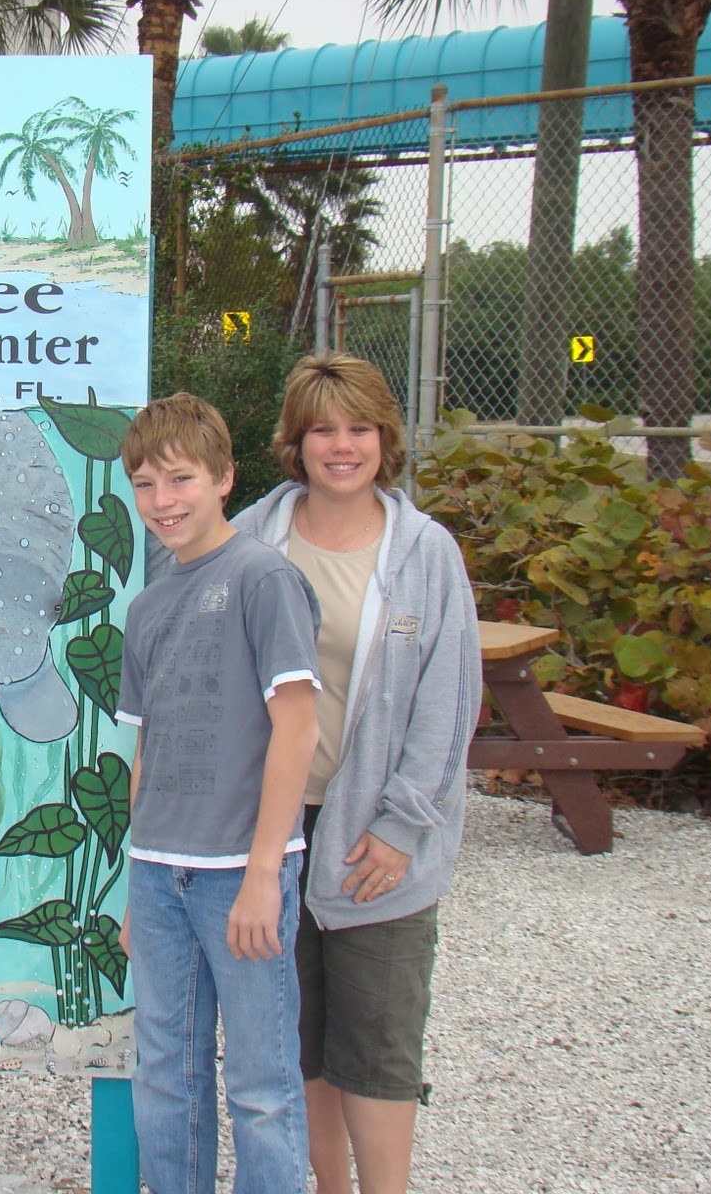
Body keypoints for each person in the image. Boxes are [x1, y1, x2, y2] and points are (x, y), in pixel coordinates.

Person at [232, 354, 481, 1194]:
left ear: (387, 438)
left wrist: (402, 825)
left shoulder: (425, 555)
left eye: (359, 429)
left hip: (376, 839)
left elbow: (448, 703)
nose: (342, 446)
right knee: (295, 1034)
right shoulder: (250, 539)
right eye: (322, 430)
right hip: (270, 831)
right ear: (295, 444)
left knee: (375, 1043)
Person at [117, 391, 321, 1194]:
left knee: (263, 1086)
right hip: (158, 875)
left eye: (179, 480)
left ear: (225, 477)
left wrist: (266, 874)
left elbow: (297, 729)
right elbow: (148, 750)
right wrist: (136, 887)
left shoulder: (264, 579)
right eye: (144, 485)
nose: (162, 502)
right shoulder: (146, 606)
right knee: (167, 1072)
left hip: (243, 871)